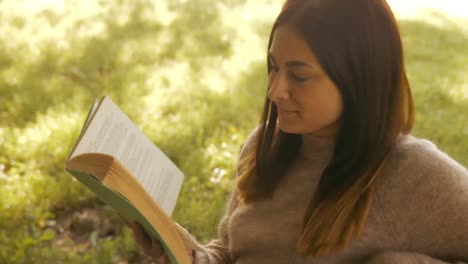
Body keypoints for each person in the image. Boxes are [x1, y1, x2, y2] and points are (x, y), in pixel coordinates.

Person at [128, 0, 468, 263]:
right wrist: (187, 254)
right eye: (273, 66)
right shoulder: (264, 145)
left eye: (299, 76)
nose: (275, 90)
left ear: (357, 79)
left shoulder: (411, 174)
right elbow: (231, 252)